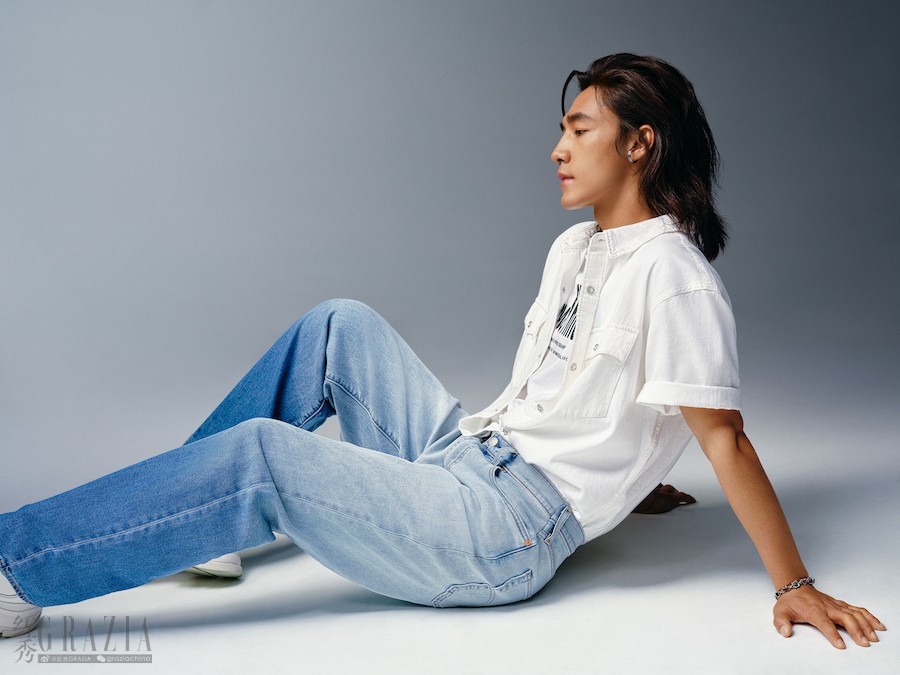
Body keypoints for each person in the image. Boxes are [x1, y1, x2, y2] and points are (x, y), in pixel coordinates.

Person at [0, 53, 884, 649]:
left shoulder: (677, 277)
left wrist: (792, 584)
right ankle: (201, 532)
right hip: (469, 454)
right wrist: (627, 475)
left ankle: (14, 570)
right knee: (339, 323)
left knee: (262, 457)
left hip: (501, 530)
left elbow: (723, 436)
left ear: (639, 143)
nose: (558, 149)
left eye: (579, 129)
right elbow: (581, 392)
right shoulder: (575, 247)